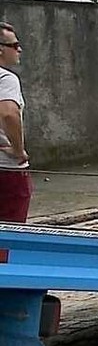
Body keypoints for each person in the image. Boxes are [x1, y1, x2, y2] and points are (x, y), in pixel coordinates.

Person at [0, 22, 30, 222]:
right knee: (10, 234)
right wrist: (18, 150)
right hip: (6, 170)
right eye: (14, 45)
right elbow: (9, 114)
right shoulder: (6, 78)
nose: (19, 49)